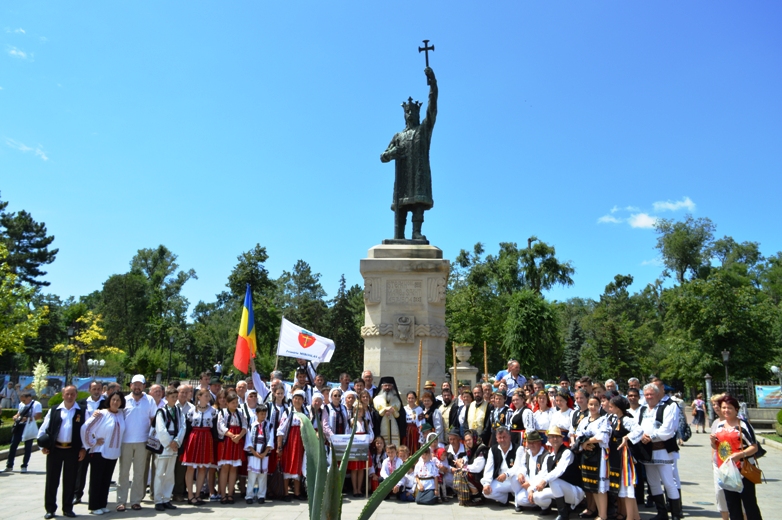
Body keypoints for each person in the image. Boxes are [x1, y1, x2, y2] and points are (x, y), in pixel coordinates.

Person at [380, 66, 437, 240]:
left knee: (417, 202)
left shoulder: (424, 130)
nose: (410, 113)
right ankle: (399, 235)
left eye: (413, 111)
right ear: (404, 115)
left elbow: (433, 108)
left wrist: (433, 84)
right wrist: (391, 153)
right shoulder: (398, 136)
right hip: (404, 179)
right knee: (401, 206)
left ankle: (416, 232)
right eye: (408, 111)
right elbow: (383, 156)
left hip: (418, 176)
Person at [710, 394, 763, 520]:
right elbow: (718, 446)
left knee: (749, 504)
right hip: (727, 470)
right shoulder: (719, 425)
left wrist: (740, 454)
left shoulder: (743, 425)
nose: (726, 410)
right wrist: (713, 441)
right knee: (732, 504)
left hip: (743, 469)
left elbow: (754, 447)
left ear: (736, 410)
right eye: (723, 408)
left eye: (729, 408)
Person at [38, 385, 87, 519]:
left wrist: (84, 448)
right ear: (62, 395)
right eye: (67, 394)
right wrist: (42, 446)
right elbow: (43, 429)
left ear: (76, 395)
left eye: (72, 394)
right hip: (55, 450)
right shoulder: (54, 410)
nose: (70, 397)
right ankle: (50, 509)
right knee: (52, 481)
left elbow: (86, 431)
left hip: (72, 450)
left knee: (70, 481)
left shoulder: (82, 411)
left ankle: (68, 508)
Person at [638, 383, 682, 520]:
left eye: (651, 394)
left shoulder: (667, 407)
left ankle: (675, 514)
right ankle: (661, 513)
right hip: (647, 451)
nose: (649, 397)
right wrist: (640, 435)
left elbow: (668, 430)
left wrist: (651, 437)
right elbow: (637, 426)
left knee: (668, 482)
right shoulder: (643, 409)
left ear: (658, 394)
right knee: (653, 482)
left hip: (662, 449)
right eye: (646, 395)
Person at [81, 391, 126, 515]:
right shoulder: (101, 414)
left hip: (113, 452)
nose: (115, 402)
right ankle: (94, 506)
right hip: (99, 452)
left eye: (118, 400)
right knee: (96, 479)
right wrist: (93, 441)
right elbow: (86, 428)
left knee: (106, 480)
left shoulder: (121, 414)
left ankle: (102, 503)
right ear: (109, 401)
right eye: (113, 399)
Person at [117, 374, 156, 512]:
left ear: (144, 386)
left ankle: (135, 500)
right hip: (125, 441)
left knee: (139, 473)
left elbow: (153, 419)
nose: (137, 386)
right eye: (135, 384)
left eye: (140, 384)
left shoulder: (150, 400)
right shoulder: (124, 400)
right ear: (131, 386)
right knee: (123, 473)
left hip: (142, 441)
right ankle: (121, 501)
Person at [530, 426, 585, 520]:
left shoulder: (567, 453)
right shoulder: (549, 457)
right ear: (548, 439)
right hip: (560, 489)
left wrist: (545, 481)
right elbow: (542, 474)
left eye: (557, 436)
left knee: (553, 481)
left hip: (575, 491)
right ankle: (553, 507)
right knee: (537, 496)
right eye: (552, 436)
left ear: (561, 439)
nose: (555, 439)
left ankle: (563, 514)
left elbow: (559, 470)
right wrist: (532, 489)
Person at [574, 395, 611, 520]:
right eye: (591, 404)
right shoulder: (584, 420)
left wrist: (586, 441)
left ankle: (603, 515)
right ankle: (591, 509)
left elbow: (602, 436)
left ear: (600, 405)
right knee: (590, 486)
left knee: (599, 486)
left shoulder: (603, 420)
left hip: (599, 455)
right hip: (586, 455)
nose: (593, 407)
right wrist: (583, 444)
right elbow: (578, 434)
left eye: (596, 405)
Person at [607, 395, 644, 520]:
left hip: (624, 457)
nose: (609, 409)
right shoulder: (612, 418)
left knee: (627, 486)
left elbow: (639, 430)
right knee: (623, 487)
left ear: (618, 408)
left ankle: (631, 517)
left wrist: (627, 438)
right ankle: (635, 516)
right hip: (615, 456)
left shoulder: (626, 419)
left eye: (611, 407)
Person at [182, 389, 218, 506]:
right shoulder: (192, 410)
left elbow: (214, 429)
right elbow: (187, 427)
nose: (208, 398)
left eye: (208, 396)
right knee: (191, 467)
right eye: (206, 396)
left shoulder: (213, 411)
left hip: (206, 437)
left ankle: (198, 494)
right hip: (194, 437)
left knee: (203, 467)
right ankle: (190, 495)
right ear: (199, 397)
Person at [153, 387, 186, 511]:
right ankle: (158, 499)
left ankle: (166, 498)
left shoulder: (179, 411)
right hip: (164, 444)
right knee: (160, 472)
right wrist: (169, 442)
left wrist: (177, 442)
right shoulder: (161, 411)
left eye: (175, 396)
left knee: (170, 473)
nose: (174, 399)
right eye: (172, 396)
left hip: (175, 444)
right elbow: (160, 429)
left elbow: (183, 426)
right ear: (166, 398)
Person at [73, 381, 105, 505]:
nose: (96, 391)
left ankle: (95, 496)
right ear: (89, 390)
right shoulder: (81, 404)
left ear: (102, 390)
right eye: (94, 388)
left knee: (97, 471)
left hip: (100, 442)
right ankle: (77, 494)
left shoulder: (107, 402)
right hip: (84, 442)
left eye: (99, 389)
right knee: (80, 470)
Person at [277, 389, 309, 500]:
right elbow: (281, 430)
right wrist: (279, 446)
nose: (297, 401)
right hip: (289, 443)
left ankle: (297, 492)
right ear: (292, 399)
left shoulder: (306, 413)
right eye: (296, 398)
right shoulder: (288, 412)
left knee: (298, 467)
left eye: (300, 399)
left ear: (303, 400)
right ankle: (285, 493)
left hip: (301, 443)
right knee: (287, 466)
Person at [217, 391, 248, 504]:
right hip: (227, 441)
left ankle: (230, 494)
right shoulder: (223, 412)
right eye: (233, 403)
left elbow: (245, 425)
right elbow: (220, 426)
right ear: (228, 403)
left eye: (236, 402)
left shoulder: (240, 412)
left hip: (237, 441)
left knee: (234, 468)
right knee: (225, 467)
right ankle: (223, 494)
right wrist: (231, 435)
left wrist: (239, 436)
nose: (235, 405)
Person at [4, 390, 42, 474]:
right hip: (19, 426)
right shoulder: (21, 404)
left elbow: (38, 416)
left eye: (24, 400)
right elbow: (19, 413)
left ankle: (24, 465)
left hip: (28, 427)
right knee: (13, 445)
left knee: (28, 447)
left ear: (29, 398)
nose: (23, 402)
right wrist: (15, 416)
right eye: (21, 400)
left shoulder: (36, 404)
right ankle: (9, 465)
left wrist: (28, 419)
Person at [480, 426, 519, 506]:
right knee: (486, 492)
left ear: (509, 437)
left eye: (504, 437)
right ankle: (505, 499)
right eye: (500, 438)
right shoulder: (493, 449)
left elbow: (518, 466)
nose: (502, 440)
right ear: (497, 439)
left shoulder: (518, 448)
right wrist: (486, 484)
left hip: (515, 481)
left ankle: (518, 502)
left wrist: (506, 474)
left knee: (517, 481)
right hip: (501, 481)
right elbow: (489, 467)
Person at [245, 404, 272, 504]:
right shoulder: (251, 425)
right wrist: (253, 451)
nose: (263, 416)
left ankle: (261, 495)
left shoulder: (269, 425)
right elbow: (248, 439)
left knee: (263, 475)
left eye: (264, 414)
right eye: (261, 414)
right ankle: (249, 496)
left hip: (264, 453)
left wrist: (265, 452)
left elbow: (271, 439)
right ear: (256, 414)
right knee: (252, 475)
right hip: (253, 453)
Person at [454, 429, 488, 506]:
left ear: (474, 438)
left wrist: (462, 466)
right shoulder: (472, 448)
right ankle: (469, 495)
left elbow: (477, 468)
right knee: (460, 472)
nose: (468, 442)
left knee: (464, 474)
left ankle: (477, 497)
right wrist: (461, 460)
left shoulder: (482, 449)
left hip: (482, 477)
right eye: (466, 440)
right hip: (477, 475)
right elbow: (468, 458)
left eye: (469, 439)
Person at [347, 401, 374, 497]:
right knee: (354, 469)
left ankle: (359, 489)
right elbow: (348, 433)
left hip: (364, 446)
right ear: (354, 411)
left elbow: (371, 433)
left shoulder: (366, 421)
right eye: (357, 410)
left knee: (362, 468)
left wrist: (367, 439)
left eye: (361, 411)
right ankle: (355, 489)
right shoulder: (351, 421)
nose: (359, 412)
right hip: (354, 446)